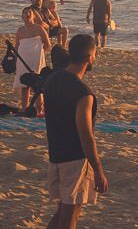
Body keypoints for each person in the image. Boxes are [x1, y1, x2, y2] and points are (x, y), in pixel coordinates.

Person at [40, 31, 107, 227]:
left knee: (63, 211)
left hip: (56, 153)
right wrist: (98, 169)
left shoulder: (52, 80)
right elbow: (85, 134)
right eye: (94, 54)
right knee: (70, 214)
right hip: (74, 159)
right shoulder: (83, 93)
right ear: (88, 57)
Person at [15, 5, 49, 115]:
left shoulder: (39, 28)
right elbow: (17, 46)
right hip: (22, 59)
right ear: (22, 17)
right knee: (25, 85)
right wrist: (16, 59)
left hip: (36, 59)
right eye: (25, 13)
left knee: (37, 85)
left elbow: (47, 44)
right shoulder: (20, 30)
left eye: (29, 12)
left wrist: (40, 54)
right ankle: (25, 107)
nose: (27, 14)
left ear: (33, 15)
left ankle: (39, 110)